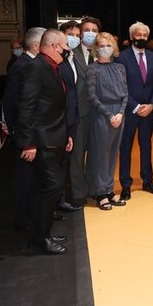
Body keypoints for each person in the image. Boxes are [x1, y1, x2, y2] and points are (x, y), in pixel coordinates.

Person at [15, 29, 74, 254]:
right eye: (66, 45)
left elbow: (53, 107)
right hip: (41, 141)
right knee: (52, 186)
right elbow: (26, 107)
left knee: (43, 187)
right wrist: (28, 143)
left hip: (54, 137)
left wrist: (66, 134)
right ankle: (40, 238)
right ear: (56, 47)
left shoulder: (51, 66)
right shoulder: (35, 66)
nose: (68, 50)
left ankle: (42, 233)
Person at [2, 27, 45, 232]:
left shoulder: (33, 64)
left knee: (35, 179)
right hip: (26, 135)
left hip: (34, 132)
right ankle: (23, 219)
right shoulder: (22, 66)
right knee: (25, 180)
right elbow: (12, 103)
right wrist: (19, 135)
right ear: (37, 45)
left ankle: (34, 215)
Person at [116, 21, 153, 200]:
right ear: (131, 37)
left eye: (144, 35)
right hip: (129, 110)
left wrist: (152, 104)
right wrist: (135, 106)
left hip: (149, 110)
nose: (141, 38)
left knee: (146, 146)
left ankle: (147, 180)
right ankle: (126, 184)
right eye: (138, 35)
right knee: (125, 148)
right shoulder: (122, 57)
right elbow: (121, 86)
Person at [85, 32, 128, 209]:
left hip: (119, 113)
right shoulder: (92, 69)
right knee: (100, 154)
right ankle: (100, 192)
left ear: (114, 48)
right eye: (101, 46)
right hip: (101, 114)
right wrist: (110, 115)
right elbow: (91, 96)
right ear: (96, 48)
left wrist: (121, 112)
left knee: (112, 154)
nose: (105, 49)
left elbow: (125, 93)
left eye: (108, 45)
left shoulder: (120, 68)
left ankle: (109, 189)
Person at [68, 16, 100, 205]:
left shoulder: (104, 52)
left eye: (94, 30)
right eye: (86, 30)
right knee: (77, 155)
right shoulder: (72, 53)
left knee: (96, 154)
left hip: (100, 113)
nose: (90, 33)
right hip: (80, 112)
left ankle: (95, 188)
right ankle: (79, 192)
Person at [56, 20, 83, 212]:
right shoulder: (58, 60)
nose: (75, 38)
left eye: (77, 35)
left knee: (65, 160)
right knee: (58, 162)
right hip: (60, 118)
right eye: (71, 34)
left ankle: (61, 198)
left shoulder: (71, 57)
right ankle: (56, 201)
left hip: (72, 117)